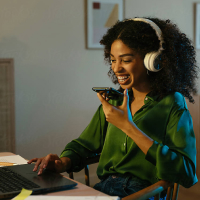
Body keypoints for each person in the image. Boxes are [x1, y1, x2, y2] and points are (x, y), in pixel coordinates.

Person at [28, 17, 198, 199]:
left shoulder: (172, 103)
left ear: (153, 60)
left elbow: (186, 172)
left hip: (140, 193)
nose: (117, 68)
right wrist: (63, 162)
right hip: (103, 189)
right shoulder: (114, 101)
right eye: (113, 60)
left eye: (125, 60)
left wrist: (128, 126)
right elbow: (84, 145)